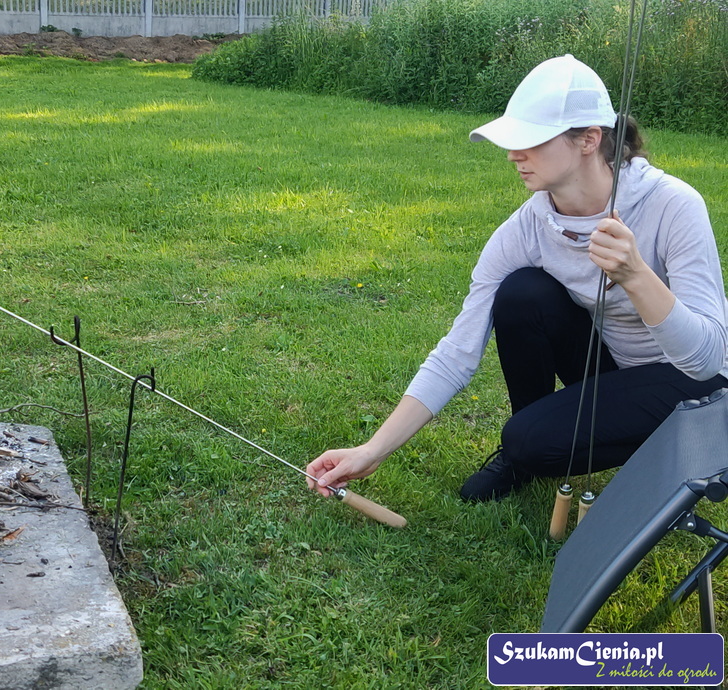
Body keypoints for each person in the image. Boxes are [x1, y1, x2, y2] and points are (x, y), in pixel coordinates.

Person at [306, 54, 728, 503]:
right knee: (522, 294)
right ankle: (531, 454)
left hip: (696, 382)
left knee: (527, 439)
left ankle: (695, 444)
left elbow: (706, 360)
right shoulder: (527, 228)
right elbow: (457, 351)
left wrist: (636, 275)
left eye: (531, 140)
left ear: (589, 139)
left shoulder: (674, 205)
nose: (512, 155)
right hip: (615, 368)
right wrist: (372, 450)